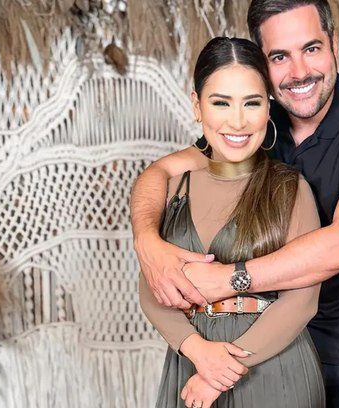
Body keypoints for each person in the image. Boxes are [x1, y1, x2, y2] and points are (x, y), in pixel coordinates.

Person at [132, 1, 339, 406]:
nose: (299, 71)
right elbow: (160, 172)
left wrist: (226, 280)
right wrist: (146, 240)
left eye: (311, 49)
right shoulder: (254, 126)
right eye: (280, 56)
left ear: (334, 44)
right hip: (262, 352)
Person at [138, 37, 325, 408]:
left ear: (268, 108)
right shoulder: (173, 188)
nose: (237, 121)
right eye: (221, 102)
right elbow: (151, 288)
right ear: (197, 106)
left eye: (251, 103)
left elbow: (303, 301)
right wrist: (198, 352)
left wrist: (223, 370)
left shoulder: (291, 188)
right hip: (191, 364)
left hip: (274, 370)